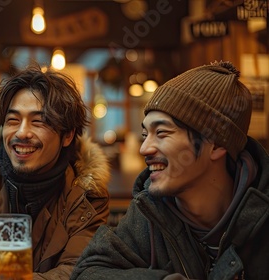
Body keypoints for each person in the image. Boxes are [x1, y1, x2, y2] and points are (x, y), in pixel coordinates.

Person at [71, 61, 269, 279]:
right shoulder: (151, 212)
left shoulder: (261, 218)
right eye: (145, 135)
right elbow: (87, 273)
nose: (144, 148)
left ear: (216, 144)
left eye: (162, 133)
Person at [0, 64, 111, 279]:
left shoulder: (89, 196)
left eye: (39, 122)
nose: (22, 133)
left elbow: (78, 270)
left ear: (67, 135)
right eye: (12, 120)